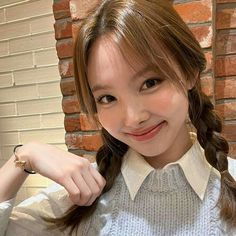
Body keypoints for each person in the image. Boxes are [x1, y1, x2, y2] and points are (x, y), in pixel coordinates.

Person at [1, 0, 236, 235]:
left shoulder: (231, 188)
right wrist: (24, 157)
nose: (133, 118)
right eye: (107, 98)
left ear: (189, 72)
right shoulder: (81, 201)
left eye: (150, 83)